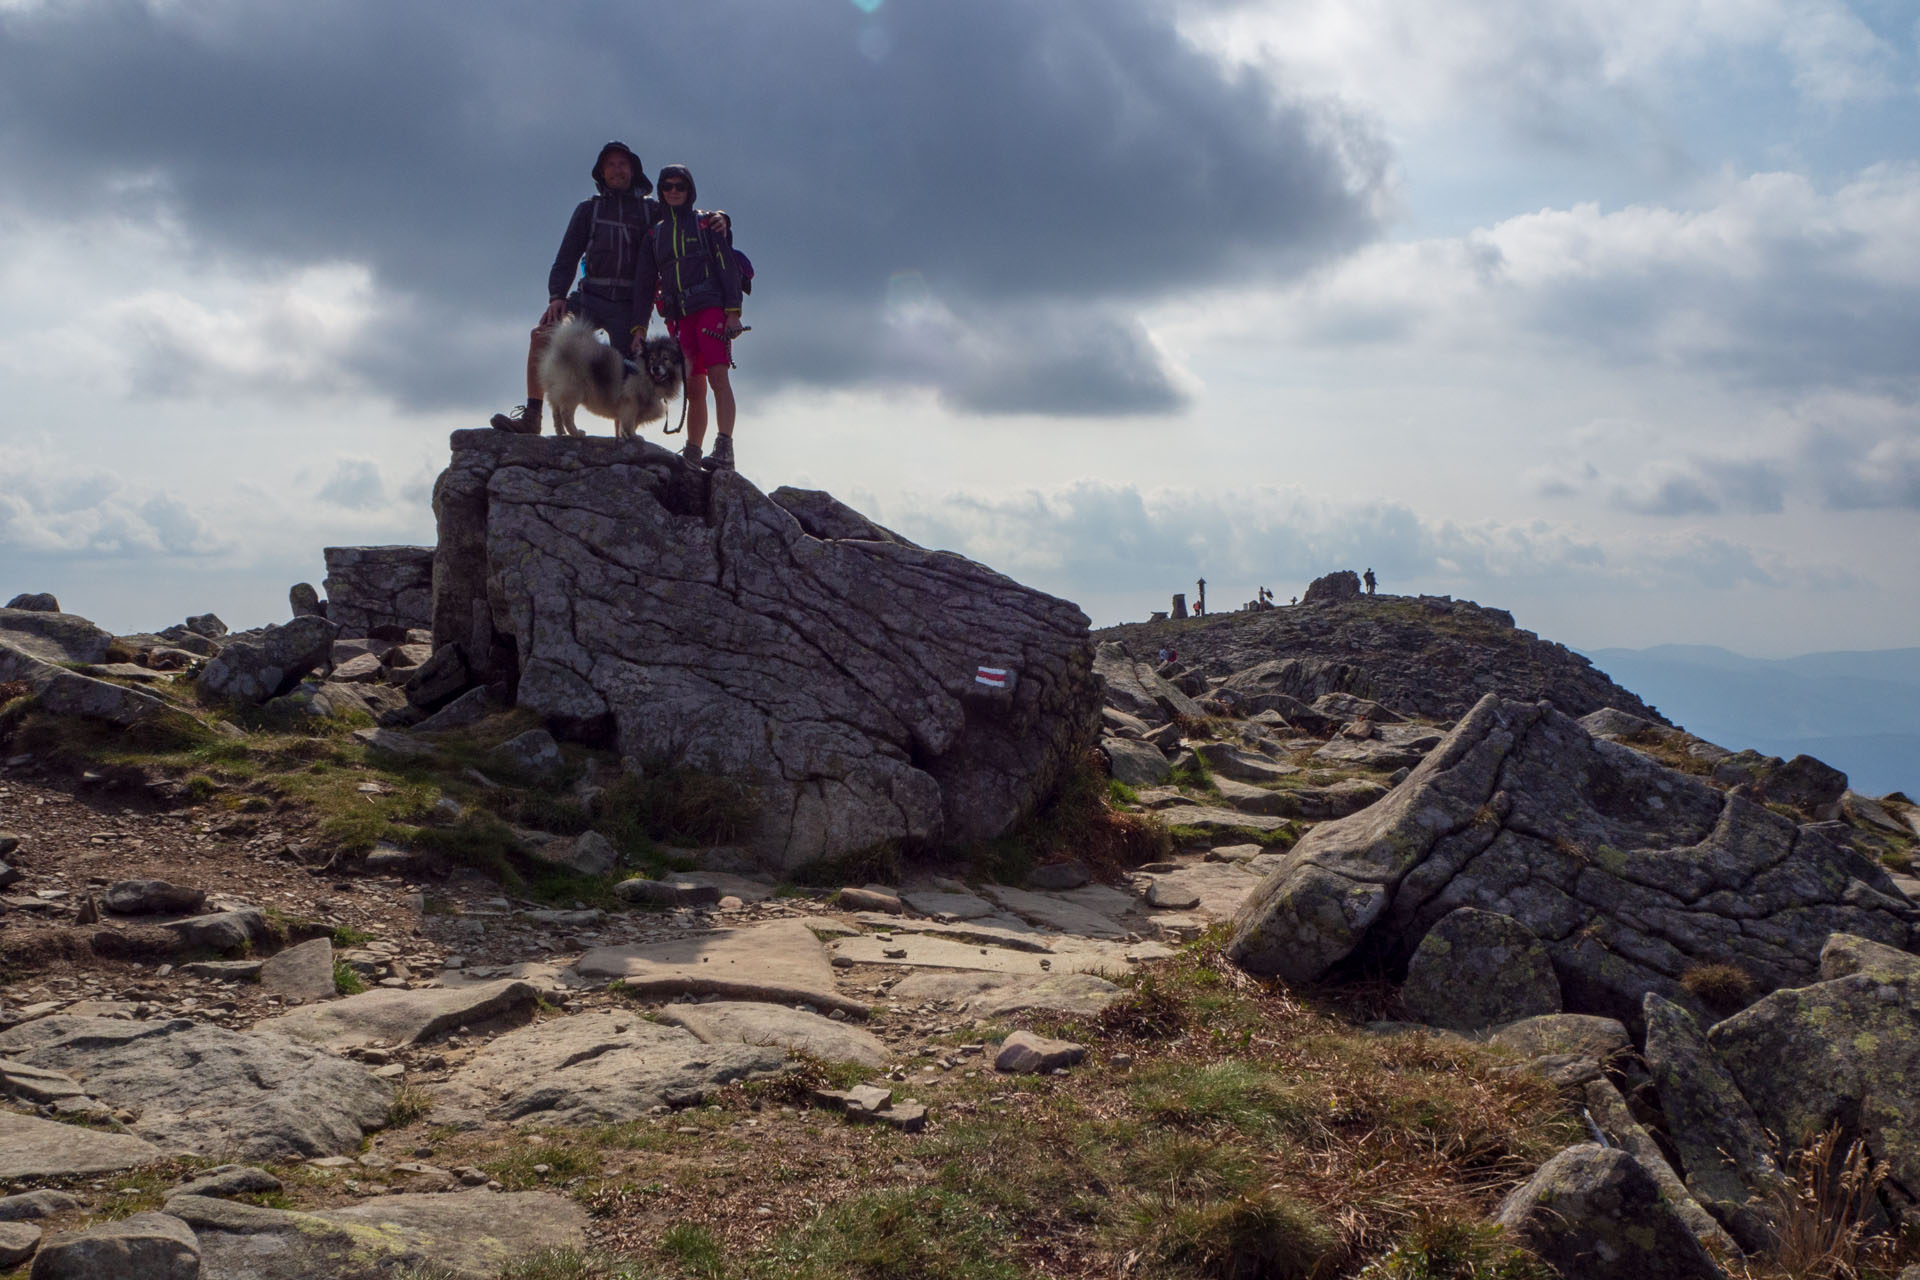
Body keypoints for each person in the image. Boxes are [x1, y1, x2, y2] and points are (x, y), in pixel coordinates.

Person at [490, 142, 658, 436]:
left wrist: (719, 218)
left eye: (623, 164)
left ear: (633, 170)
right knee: (542, 337)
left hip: (628, 304)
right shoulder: (588, 210)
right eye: (610, 165)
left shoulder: (650, 211)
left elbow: (684, 218)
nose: (617, 170)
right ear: (601, 173)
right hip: (590, 296)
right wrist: (557, 296)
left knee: (627, 369)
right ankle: (532, 417)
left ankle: (623, 439)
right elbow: (567, 257)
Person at [634, 164, 745, 470]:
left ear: (689, 190)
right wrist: (639, 328)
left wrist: (733, 312)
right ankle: (693, 452)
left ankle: (724, 449)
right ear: (660, 190)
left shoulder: (707, 224)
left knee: (718, 378)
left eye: (679, 186)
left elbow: (727, 268)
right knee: (694, 388)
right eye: (667, 186)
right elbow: (644, 285)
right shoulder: (654, 235)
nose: (673, 191)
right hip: (679, 317)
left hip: (710, 309)